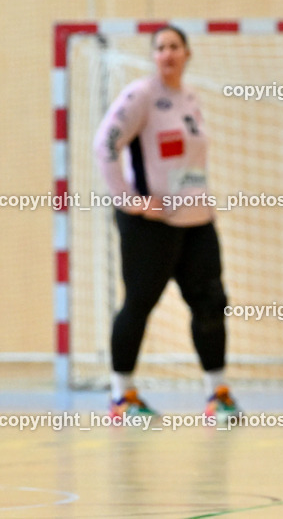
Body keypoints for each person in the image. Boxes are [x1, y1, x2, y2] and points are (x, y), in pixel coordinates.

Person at [93, 25, 239, 422]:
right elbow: (104, 144)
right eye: (160, 48)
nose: (168, 53)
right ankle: (121, 397)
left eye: (175, 46)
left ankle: (218, 394)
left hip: (197, 221)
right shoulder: (141, 95)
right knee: (139, 304)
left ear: (187, 54)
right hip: (150, 225)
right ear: (154, 56)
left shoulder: (190, 98)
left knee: (211, 303)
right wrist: (131, 202)